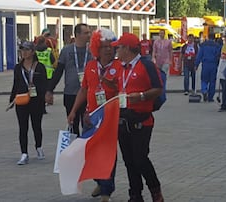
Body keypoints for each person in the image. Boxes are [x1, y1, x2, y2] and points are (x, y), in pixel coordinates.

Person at [67, 28, 119, 202]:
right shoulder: (90, 66)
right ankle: (99, 179)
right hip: (91, 117)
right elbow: (84, 90)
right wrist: (74, 111)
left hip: (110, 118)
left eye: (110, 46)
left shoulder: (119, 67)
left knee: (108, 154)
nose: (108, 50)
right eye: (104, 47)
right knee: (89, 153)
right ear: (97, 48)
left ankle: (106, 191)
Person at [111, 33, 164, 202]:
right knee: (129, 161)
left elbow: (158, 88)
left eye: (119, 47)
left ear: (127, 48)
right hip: (123, 119)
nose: (116, 50)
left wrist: (141, 96)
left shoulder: (146, 65)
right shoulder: (119, 66)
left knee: (140, 159)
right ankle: (135, 194)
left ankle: (155, 191)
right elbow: (117, 85)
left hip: (141, 119)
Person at [45, 23, 92, 136]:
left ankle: (86, 150)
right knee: (73, 126)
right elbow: (59, 71)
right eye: (86, 33)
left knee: (88, 125)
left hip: (88, 94)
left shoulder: (92, 50)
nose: (89, 35)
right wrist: (50, 90)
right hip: (70, 93)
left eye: (89, 32)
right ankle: (74, 150)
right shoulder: (66, 50)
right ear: (77, 34)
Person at [9, 41, 47, 165]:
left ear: (32, 51)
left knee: (36, 126)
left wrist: (44, 97)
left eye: (26, 50)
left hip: (36, 102)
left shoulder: (39, 67)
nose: (24, 52)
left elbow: (44, 84)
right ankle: (24, 153)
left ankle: (39, 147)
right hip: (21, 100)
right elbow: (16, 84)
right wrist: (12, 100)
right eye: (22, 50)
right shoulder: (18, 67)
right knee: (23, 127)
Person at [195, 33, 221, 102]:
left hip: (205, 64)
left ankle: (204, 90)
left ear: (208, 37)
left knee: (204, 79)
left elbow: (199, 55)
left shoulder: (203, 45)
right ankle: (210, 97)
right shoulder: (217, 46)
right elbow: (218, 56)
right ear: (214, 38)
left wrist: (196, 64)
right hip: (213, 65)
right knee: (212, 81)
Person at [35, 36, 55, 114]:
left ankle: (37, 107)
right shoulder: (48, 51)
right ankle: (44, 107)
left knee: (38, 91)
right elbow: (53, 61)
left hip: (37, 74)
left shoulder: (35, 51)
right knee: (45, 91)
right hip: (48, 74)